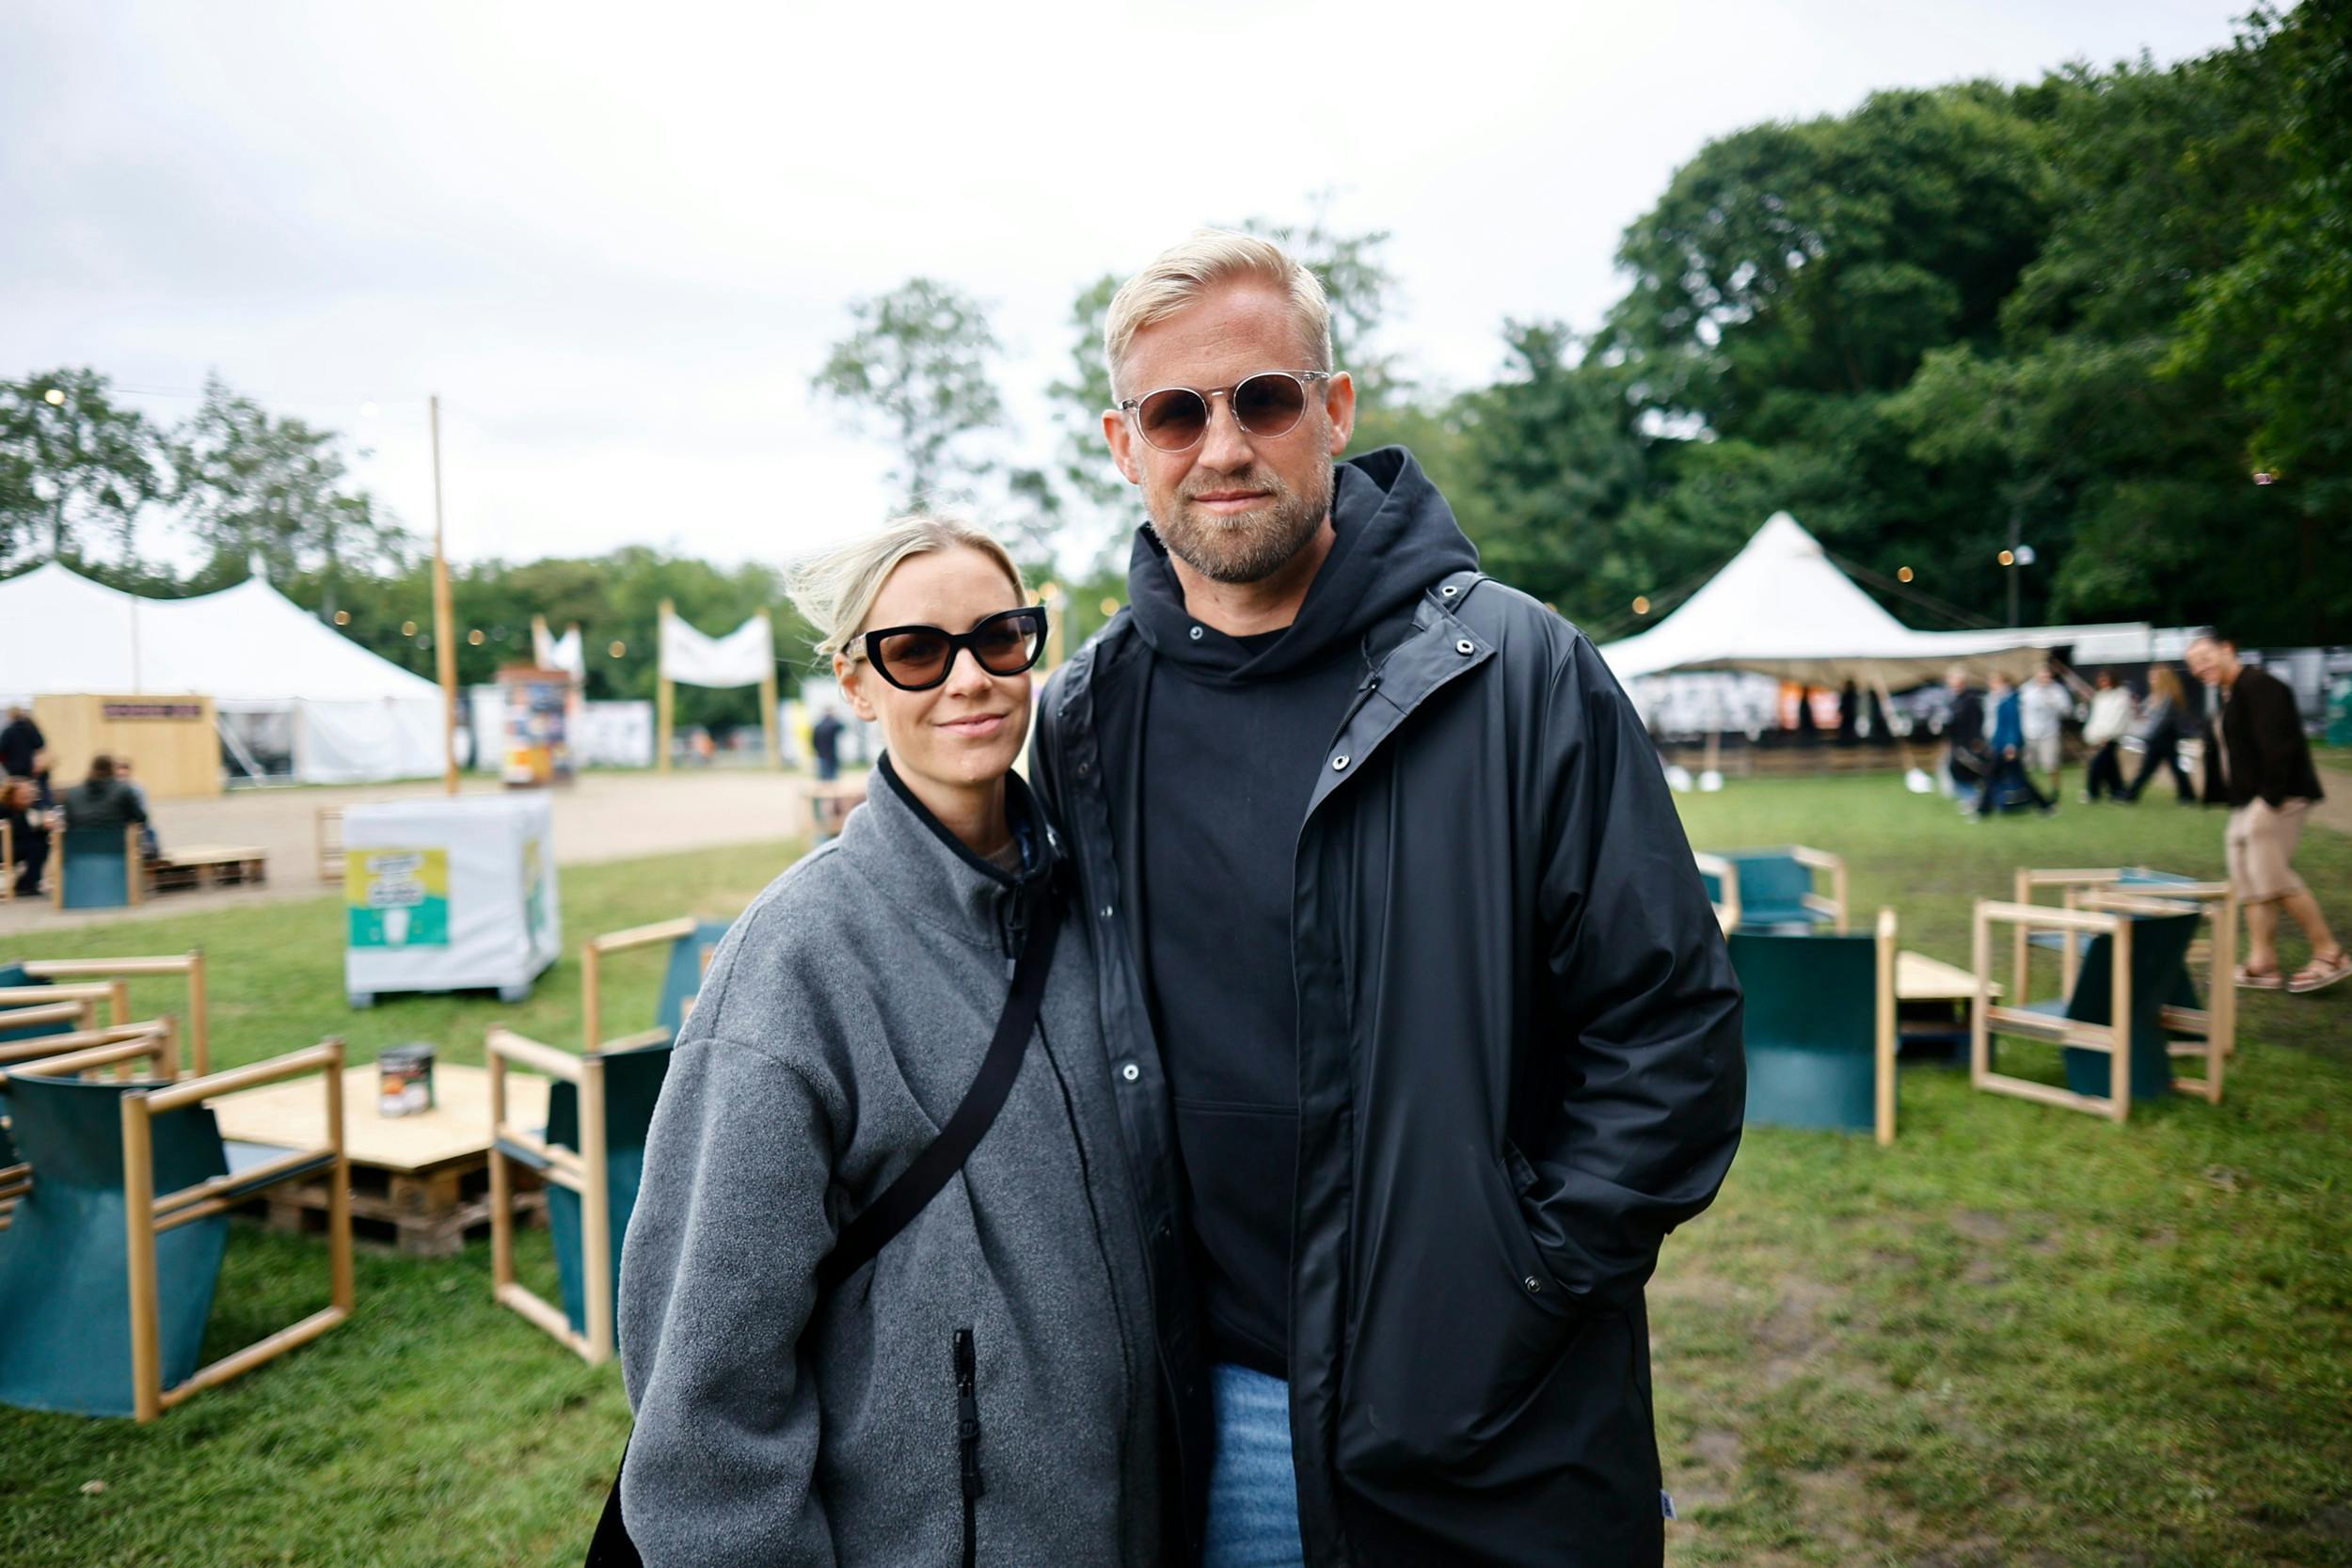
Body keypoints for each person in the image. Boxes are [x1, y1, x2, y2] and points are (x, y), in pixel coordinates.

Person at [1030, 230, 1745, 1568]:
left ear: (1335, 409)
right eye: (1176, 413)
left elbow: (1671, 1033)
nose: (1223, 446)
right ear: (1124, 445)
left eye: (1264, 398)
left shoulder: (1519, 672)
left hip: (1490, 1403)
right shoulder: (1083, 718)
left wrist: (1517, 1283)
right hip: (1200, 1409)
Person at [617, 515, 1163, 1567]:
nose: (969, 678)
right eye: (916, 650)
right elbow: (704, 1407)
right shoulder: (794, 962)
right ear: (856, 682)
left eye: (999, 637)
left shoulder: (1100, 915)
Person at [2185, 631, 2345, 993]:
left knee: (2271, 875)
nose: (2199, 668)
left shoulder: (2261, 685)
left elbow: (2279, 747)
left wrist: (2268, 800)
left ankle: (2329, 951)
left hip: (2280, 796)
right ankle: (2263, 961)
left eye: (2206, 657)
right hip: (2248, 801)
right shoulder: (2229, 694)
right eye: (2193, 664)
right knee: (2247, 879)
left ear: (2228, 649)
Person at [1976, 672, 2055, 817]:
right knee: (2013, 777)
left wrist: (2011, 745)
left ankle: (1983, 810)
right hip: (2000, 746)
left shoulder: (2010, 702)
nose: (1993, 686)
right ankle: (2044, 805)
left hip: (2006, 749)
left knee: (1993, 776)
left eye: (1995, 683)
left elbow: (2013, 725)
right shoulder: (2002, 701)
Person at [2121, 664, 2198, 803]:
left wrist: (2146, 734)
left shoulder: (2169, 698)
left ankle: (2130, 795)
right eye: (2151, 677)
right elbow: (2144, 714)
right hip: (2158, 739)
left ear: (2163, 678)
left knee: (2149, 769)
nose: (2151, 680)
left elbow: (2161, 721)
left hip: (2164, 738)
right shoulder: (2154, 696)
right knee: (2168, 769)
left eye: (2154, 677)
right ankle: (2187, 796)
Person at [2080, 670, 2137, 802]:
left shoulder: (2121, 696)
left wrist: (2107, 736)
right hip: (2100, 737)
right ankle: (2117, 790)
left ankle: (2093, 792)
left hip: (2112, 737)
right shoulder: (2100, 697)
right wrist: (2092, 736)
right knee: (2110, 766)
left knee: (2096, 765)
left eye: (2106, 679)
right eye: (2101, 680)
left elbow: (2118, 718)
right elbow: (2096, 718)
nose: (2103, 683)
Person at [61, 753, 151, 836]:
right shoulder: (124, 791)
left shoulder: (71, 793)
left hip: (80, 846)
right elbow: (141, 818)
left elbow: (66, 823)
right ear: (112, 771)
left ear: (91, 770)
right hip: (116, 846)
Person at [2020, 663, 2074, 798]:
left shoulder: (2057, 690)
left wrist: (2055, 704)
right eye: (2043, 675)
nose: (2045, 677)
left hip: (2049, 733)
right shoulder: (2026, 690)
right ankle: (2027, 791)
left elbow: (2067, 711)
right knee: (2026, 765)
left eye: (2047, 675)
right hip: (2029, 733)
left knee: (2051, 764)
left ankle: (2055, 791)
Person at [1943, 666, 1987, 806]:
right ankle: (1970, 797)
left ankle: (1974, 798)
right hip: (1956, 742)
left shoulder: (1971, 699)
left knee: (1969, 771)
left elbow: (1976, 722)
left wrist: (1976, 740)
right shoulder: (1953, 700)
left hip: (1969, 743)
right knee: (1956, 770)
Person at [3, 778, 49, 896]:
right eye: (24, 796)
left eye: (30, 794)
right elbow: (16, 831)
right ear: (12, 796)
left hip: (19, 845)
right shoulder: (3, 809)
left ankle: (27, 883)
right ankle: (26, 884)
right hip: (4, 847)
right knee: (35, 846)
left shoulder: (32, 807)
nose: (29, 798)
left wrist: (45, 825)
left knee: (41, 843)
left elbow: (33, 829)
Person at [0, 705, 42, 779]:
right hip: (30, 767)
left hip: (13, 769)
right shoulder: (30, 729)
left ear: (10, 716)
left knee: (17, 784)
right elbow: (40, 744)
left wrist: (6, 764)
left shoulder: (8, 732)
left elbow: (1, 750)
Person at [808, 705, 845, 783]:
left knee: (823, 777)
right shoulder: (833, 724)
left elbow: (813, 739)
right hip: (831, 752)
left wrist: (815, 749)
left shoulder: (819, 725)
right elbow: (842, 727)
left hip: (821, 752)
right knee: (832, 777)